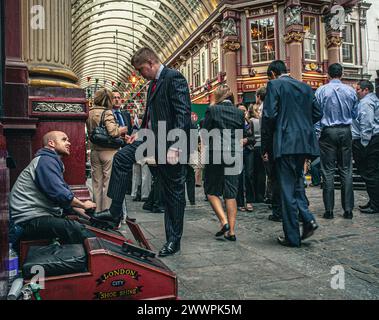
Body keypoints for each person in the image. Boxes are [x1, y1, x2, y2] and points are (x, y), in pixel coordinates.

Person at [99, 47, 191, 257]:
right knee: (122, 158)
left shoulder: (173, 78)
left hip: (171, 144)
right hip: (151, 139)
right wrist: (138, 134)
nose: (140, 75)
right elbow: (150, 117)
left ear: (150, 63)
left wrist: (176, 146)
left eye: (141, 70)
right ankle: (114, 213)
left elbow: (182, 114)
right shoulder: (152, 85)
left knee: (173, 193)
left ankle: (173, 241)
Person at [262, 60, 321, 247]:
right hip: (304, 142)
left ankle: (292, 237)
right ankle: (307, 219)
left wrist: (265, 147)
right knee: (297, 185)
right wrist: (302, 124)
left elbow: (269, 115)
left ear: (272, 73)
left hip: (285, 142)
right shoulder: (305, 86)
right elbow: (318, 113)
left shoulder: (274, 84)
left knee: (287, 189)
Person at [9, 131, 97, 249]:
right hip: (27, 221)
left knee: (77, 224)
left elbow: (65, 199)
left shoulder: (50, 162)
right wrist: (84, 205)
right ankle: (101, 259)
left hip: (37, 216)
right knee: (73, 228)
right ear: (51, 143)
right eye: (64, 140)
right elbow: (60, 194)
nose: (69, 143)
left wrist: (89, 217)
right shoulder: (45, 161)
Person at [315, 63, 358, 219]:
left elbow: (316, 114)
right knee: (346, 170)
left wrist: (318, 133)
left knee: (328, 171)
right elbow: (355, 113)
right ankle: (348, 210)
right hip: (345, 130)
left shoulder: (321, 91)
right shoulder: (351, 90)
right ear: (342, 73)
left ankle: (329, 210)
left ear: (328, 74)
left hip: (327, 131)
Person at [202, 85, 244, 241]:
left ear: (217, 96)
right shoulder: (239, 112)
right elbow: (241, 133)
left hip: (216, 152)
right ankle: (231, 231)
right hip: (234, 153)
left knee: (211, 190)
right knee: (231, 193)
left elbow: (205, 132)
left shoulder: (212, 110)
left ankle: (223, 221)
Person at [86, 89, 128, 212]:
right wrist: (122, 129)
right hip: (109, 151)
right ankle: (106, 213)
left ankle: (97, 211)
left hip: (95, 151)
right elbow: (113, 132)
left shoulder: (90, 112)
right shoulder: (107, 112)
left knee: (97, 184)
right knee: (108, 184)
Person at [352, 80, 379, 214]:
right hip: (374, 139)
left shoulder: (366, 103)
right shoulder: (373, 100)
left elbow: (367, 123)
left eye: (358, 89)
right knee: (372, 173)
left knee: (369, 173)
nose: (356, 92)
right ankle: (373, 201)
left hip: (369, 141)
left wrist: (364, 143)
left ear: (366, 90)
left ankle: (375, 204)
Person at [236, 103, 255, 212]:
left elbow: (254, 138)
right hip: (238, 151)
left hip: (248, 151)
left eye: (244, 110)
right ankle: (239, 202)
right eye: (241, 110)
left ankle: (249, 201)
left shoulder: (250, 123)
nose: (243, 112)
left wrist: (247, 140)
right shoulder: (234, 123)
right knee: (239, 176)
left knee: (249, 175)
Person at [252, 88, 267, 203]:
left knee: (255, 172)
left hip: (255, 147)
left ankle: (256, 194)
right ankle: (261, 195)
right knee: (262, 172)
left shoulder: (251, 121)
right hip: (262, 145)